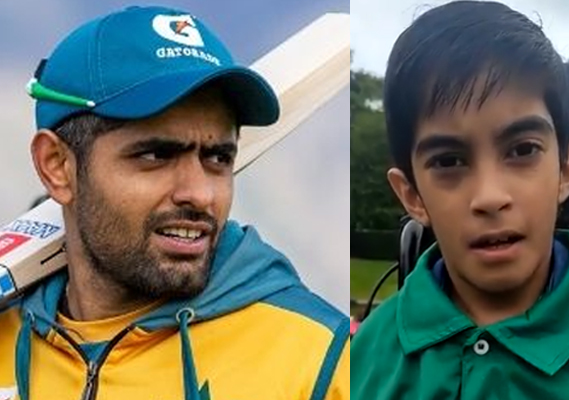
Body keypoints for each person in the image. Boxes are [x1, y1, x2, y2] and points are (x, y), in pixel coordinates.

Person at [350, 1, 569, 399]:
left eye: (522, 150)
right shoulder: (367, 361)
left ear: (566, 169)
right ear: (411, 195)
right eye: (449, 161)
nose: (490, 197)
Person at [0, 5, 348, 400]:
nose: (200, 194)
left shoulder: (320, 361)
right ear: (57, 166)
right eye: (156, 156)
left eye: (218, 158)